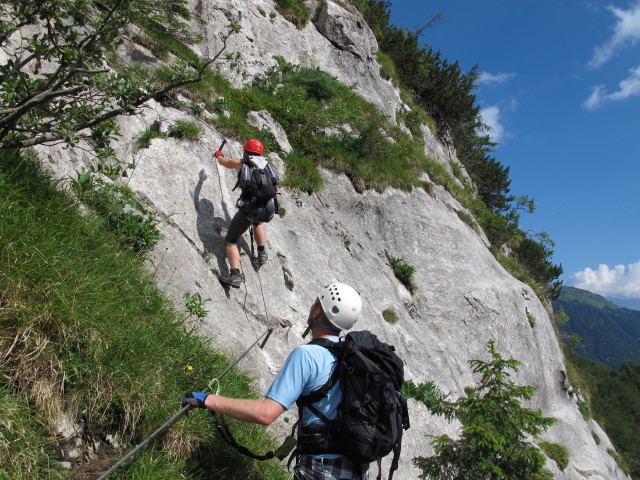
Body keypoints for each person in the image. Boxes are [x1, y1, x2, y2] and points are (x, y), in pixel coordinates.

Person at [182, 282, 369, 479]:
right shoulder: (356, 357)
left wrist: (207, 400)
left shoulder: (307, 355)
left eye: (316, 303)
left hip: (321, 470)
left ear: (317, 312)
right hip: (357, 470)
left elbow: (266, 414)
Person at [215, 139, 275, 288]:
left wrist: (218, 154)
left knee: (231, 240)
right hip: (268, 208)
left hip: (251, 209)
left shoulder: (240, 163)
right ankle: (261, 254)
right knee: (257, 222)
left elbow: (223, 162)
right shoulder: (269, 166)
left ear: (245, 151)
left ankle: (235, 275)